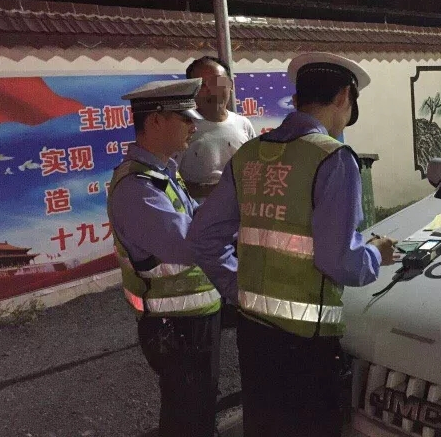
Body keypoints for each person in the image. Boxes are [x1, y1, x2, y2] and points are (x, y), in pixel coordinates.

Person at [188, 52, 397, 437]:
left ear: (297, 100)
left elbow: (202, 237)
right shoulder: (334, 159)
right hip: (308, 344)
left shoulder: (249, 155)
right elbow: (340, 261)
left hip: (254, 334)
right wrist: (376, 254)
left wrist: (237, 288)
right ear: (344, 97)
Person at [106, 78, 238, 437]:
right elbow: (192, 243)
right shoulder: (138, 189)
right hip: (177, 326)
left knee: (199, 407)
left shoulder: (163, 173)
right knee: (187, 417)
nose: (193, 126)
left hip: (194, 318)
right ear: (155, 121)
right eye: (184, 118)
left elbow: (196, 220)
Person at [176, 56, 256, 202]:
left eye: (217, 82)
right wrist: (214, 189)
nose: (210, 90)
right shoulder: (181, 127)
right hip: (201, 214)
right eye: (201, 85)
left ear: (231, 85)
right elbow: (170, 182)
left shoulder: (243, 124)